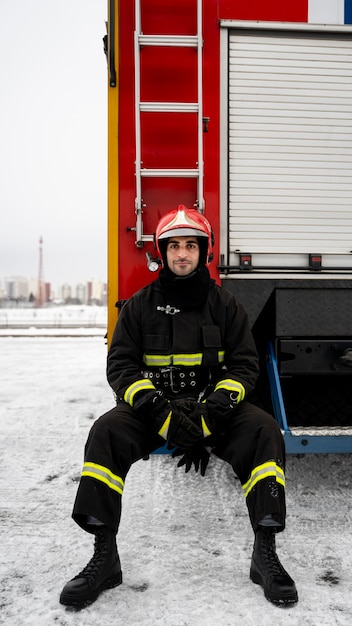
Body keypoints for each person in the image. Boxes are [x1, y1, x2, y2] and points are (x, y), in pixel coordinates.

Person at [59, 205, 298, 608]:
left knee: (263, 431)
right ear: (162, 252)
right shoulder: (138, 306)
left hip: (213, 413)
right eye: (174, 246)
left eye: (190, 245)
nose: (182, 253)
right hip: (154, 412)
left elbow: (244, 366)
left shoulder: (226, 306)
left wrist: (211, 415)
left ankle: (266, 553)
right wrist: (159, 414)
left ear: (203, 252)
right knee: (106, 432)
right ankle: (104, 557)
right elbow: (120, 367)